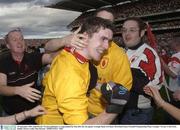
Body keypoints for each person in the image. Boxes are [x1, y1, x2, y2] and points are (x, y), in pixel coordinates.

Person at [44, 8, 133, 120]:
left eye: (108, 23)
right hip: (74, 114)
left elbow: (121, 89)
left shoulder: (117, 54)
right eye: (100, 21)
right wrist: (63, 41)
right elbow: (48, 49)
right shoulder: (74, 47)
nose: (104, 26)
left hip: (97, 112)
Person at [0, 28, 71, 124]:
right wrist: (18, 90)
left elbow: (51, 57)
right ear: (8, 45)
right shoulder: (3, 61)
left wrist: (70, 48)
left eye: (21, 39)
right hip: (11, 115)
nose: (19, 42)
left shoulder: (33, 57)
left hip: (34, 112)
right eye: (14, 40)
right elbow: (1, 87)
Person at [118, 17, 163, 124]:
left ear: (142, 32)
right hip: (120, 107)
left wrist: (125, 77)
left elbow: (154, 86)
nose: (127, 33)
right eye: (124, 30)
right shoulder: (123, 52)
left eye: (132, 30)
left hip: (137, 112)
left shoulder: (147, 53)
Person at [165, 37, 180, 124]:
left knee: (171, 119)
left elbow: (172, 74)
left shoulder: (176, 56)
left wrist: (162, 64)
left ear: (176, 44)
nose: (170, 45)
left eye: (172, 43)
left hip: (176, 93)